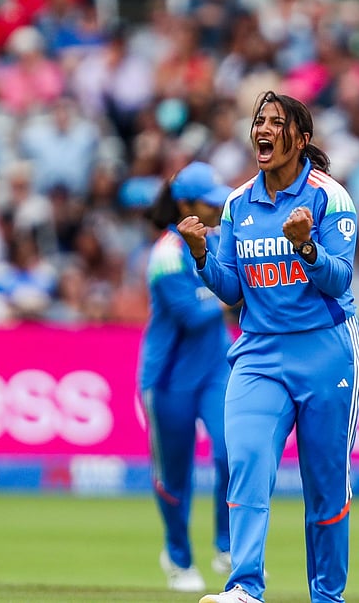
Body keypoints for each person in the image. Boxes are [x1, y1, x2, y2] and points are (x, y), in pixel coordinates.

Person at [179, 91, 359, 603]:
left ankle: (327, 596)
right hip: (259, 353)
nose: (262, 129)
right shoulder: (238, 204)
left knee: (325, 486)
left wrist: (307, 245)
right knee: (246, 462)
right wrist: (201, 256)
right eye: (258, 121)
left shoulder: (331, 198)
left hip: (325, 353)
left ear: (301, 140)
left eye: (276, 122)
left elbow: (338, 282)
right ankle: (244, 588)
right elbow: (232, 289)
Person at [138, 161, 234, 593]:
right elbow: (193, 315)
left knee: (233, 452)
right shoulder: (166, 254)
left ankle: (228, 545)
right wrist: (236, 292)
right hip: (169, 377)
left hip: (216, 366)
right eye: (208, 202)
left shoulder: (217, 240)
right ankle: (178, 557)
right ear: (185, 205)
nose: (216, 209)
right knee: (175, 476)